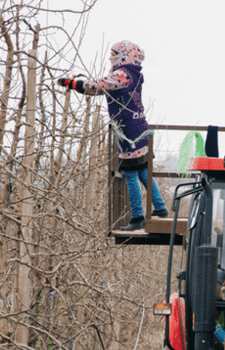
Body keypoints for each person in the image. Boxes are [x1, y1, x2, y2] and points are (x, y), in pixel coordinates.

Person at [57, 40, 168, 231]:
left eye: (113, 53)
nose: (111, 57)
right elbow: (105, 88)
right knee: (143, 171)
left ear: (122, 55)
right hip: (139, 128)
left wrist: (72, 83)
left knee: (131, 174)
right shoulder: (133, 74)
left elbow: (95, 87)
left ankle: (137, 217)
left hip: (128, 134)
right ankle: (160, 207)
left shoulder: (122, 75)